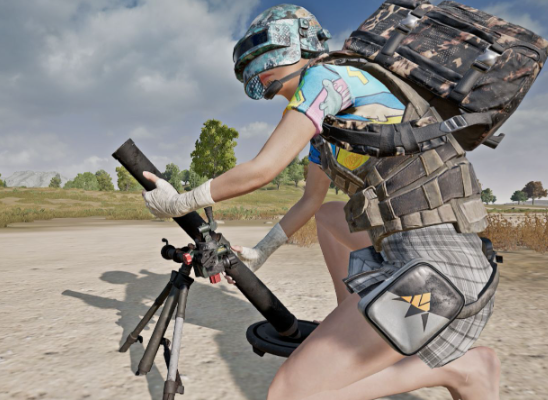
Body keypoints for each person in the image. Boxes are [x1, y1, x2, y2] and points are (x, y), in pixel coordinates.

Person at [141, 5, 499, 399]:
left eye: (262, 63)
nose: (260, 82)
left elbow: (263, 168)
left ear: (294, 49)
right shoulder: (326, 134)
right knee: (330, 216)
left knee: (289, 394)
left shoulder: (327, 78)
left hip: (440, 275)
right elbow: (311, 200)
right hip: (421, 257)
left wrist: (179, 202)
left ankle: (461, 369)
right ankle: (356, 325)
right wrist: (261, 253)